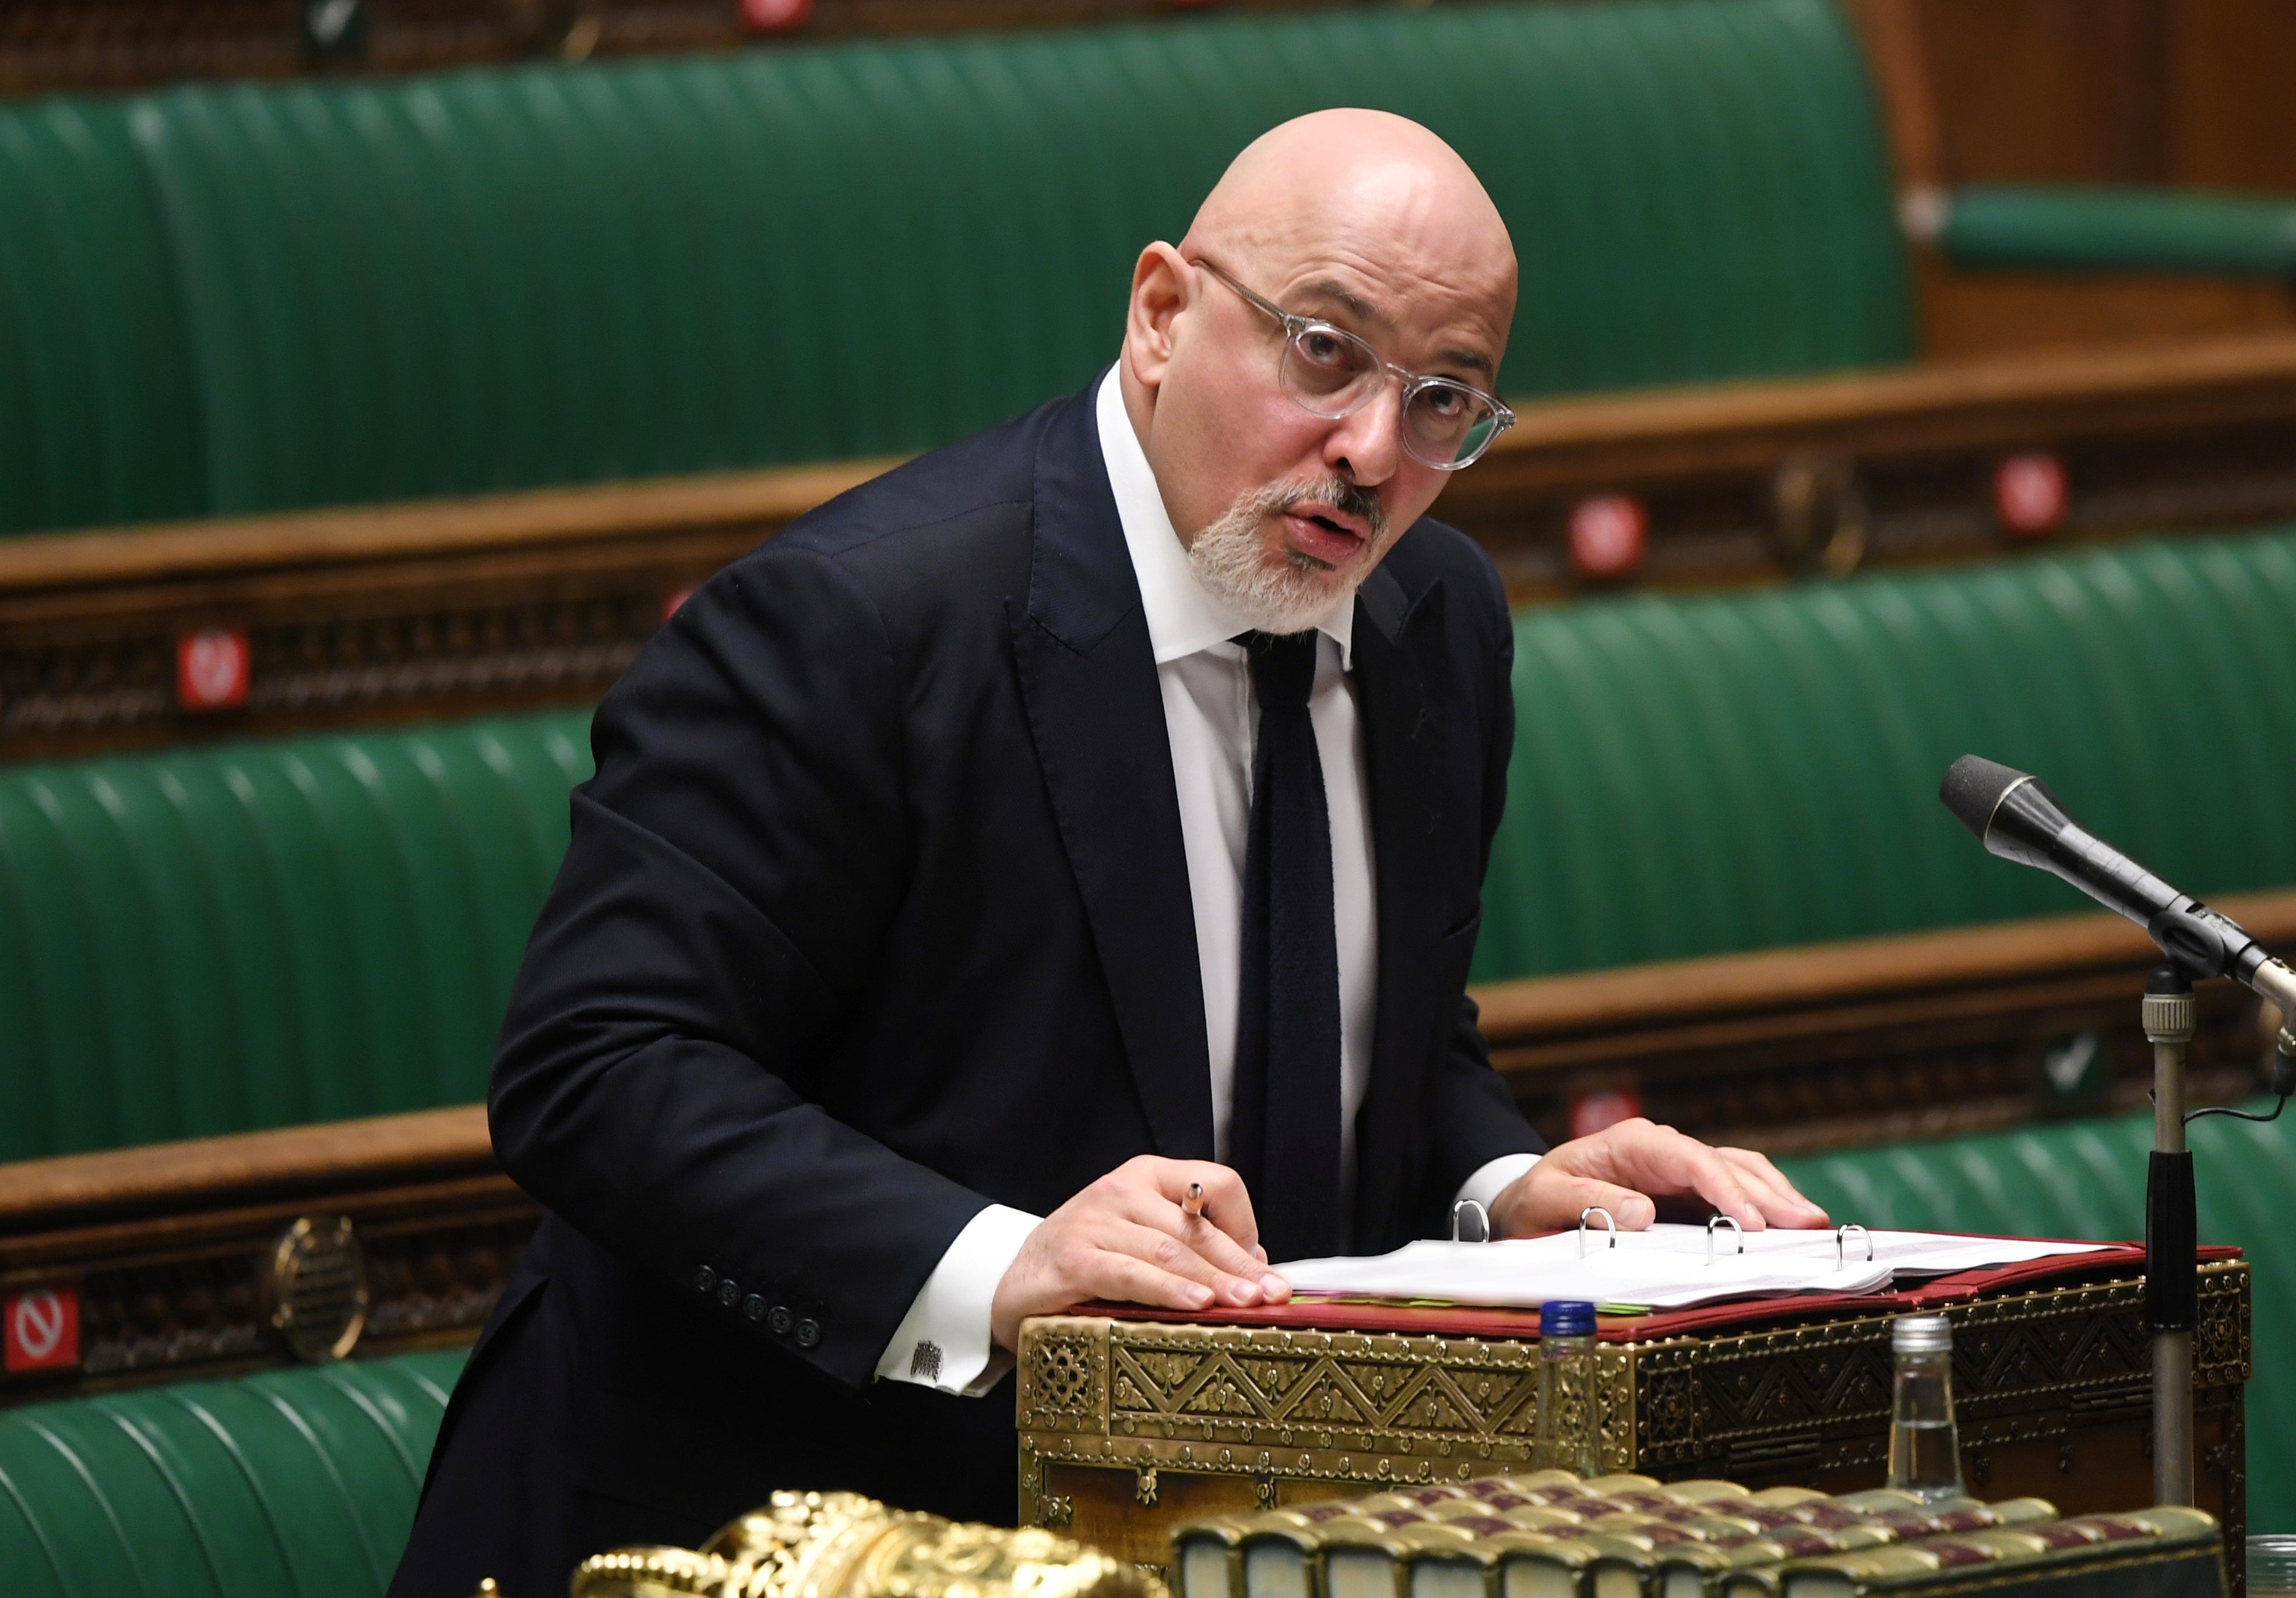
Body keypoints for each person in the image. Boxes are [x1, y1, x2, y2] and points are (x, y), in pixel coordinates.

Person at [389, 110, 1826, 1598]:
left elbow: (1368, 1034)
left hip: (1202, 1537)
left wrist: (1499, 1185)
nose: (1372, 454)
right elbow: (596, 1065)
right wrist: (994, 1260)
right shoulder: (858, 624)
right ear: (1160, 316)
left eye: (1446, 401)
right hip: (758, 1532)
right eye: (1324, 351)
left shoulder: (1434, 621)